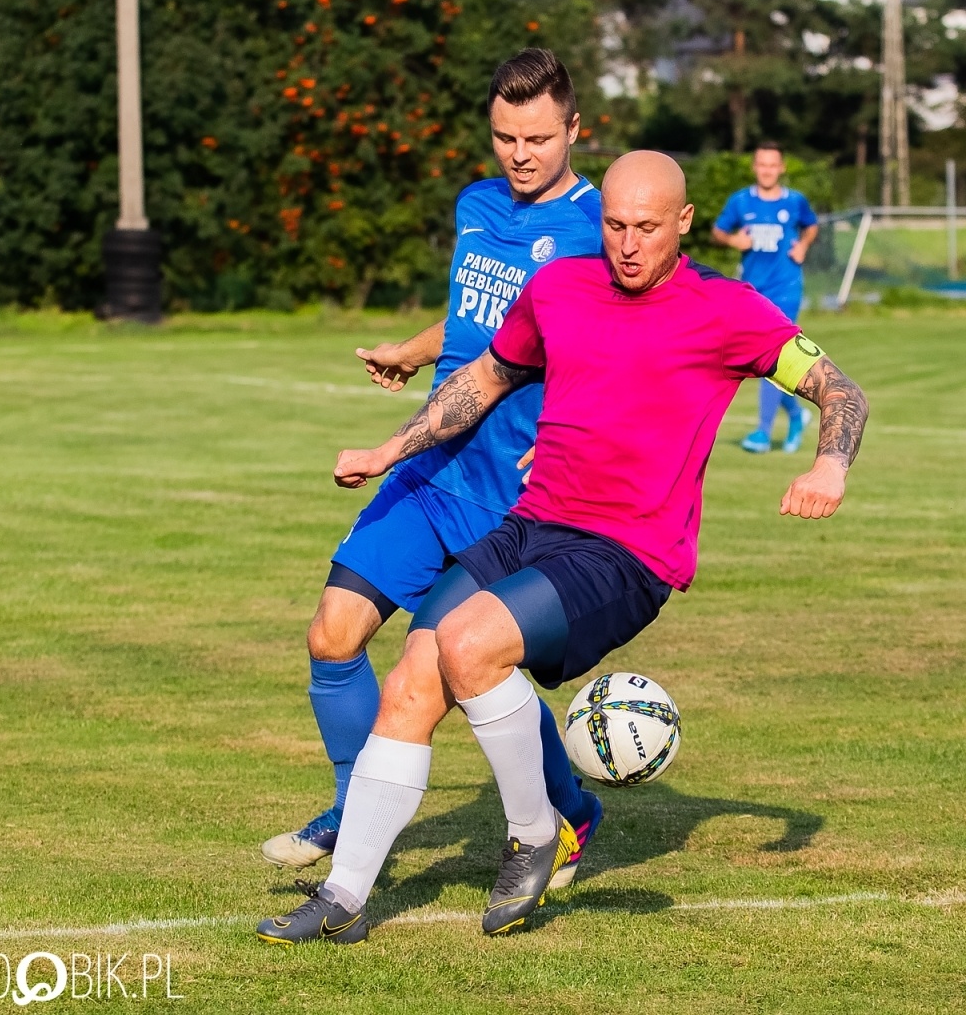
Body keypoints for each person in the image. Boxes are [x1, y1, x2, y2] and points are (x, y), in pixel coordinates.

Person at [256, 150, 869, 945]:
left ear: (684, 222)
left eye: (647, 227)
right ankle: (342, 898)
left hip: (626, 553)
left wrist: (829, 461)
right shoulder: (559, 290)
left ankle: (536, 832)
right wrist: (388, 450)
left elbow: (839, 389)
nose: (628, 244)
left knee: (472, 644)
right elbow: (484, 377)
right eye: (615, 225)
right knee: (416, 667)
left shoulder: (730, 309)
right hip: (532, 523)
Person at [260, 49, 607, 889]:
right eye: (502, 137)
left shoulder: (602, 232)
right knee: (331, 635)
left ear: (573, 129)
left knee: (454, 665)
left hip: (513, 494)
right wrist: (413, 354)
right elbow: (472, 321)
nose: (518, 154)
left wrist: (573, 433)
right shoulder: (477, 204)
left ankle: (574, 814)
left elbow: (611, 354)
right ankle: (351, 812)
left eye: (535, 137)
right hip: (432, 465)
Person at [710, 141, 820, 454]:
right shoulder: (740, 201)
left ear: (781, 168)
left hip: (786, 288)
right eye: (762, 164)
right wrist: (733, 239)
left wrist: (803, 246)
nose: (767, 170)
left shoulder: (795, 201)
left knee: (772, 353)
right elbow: (718, 232)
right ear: (755, 167)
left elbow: (811, 227)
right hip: (753, 292)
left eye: (773, 165)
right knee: (760, 360)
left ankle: (762, 432)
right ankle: (797, 416)